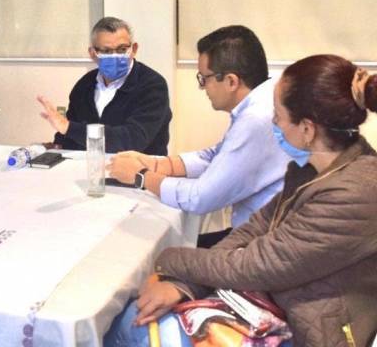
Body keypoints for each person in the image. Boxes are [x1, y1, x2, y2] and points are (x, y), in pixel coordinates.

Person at [105, 54, 377, 347]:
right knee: (134, 313)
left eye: (278, 116)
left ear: (307, 130)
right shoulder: (309, 169)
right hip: (273, 297)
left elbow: (257, 264)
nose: (273, 123)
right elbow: (252, 231)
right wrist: (185, 285)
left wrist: (166, 260)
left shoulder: (355, 193)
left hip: (312, 329)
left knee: (131, 327)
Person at [108, 25, 291, 246]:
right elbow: (216, 155)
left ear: (231, 81)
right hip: (258, 232)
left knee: (153, 251)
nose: (202, 88)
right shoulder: (262, 100)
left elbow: (200, 198)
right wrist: (157, 164)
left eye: (204, 79)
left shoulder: (256, 119)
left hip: (260, 244)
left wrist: (141, 176)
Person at [37, 17, 171, 154]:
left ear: (134, 49)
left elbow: (133, 139)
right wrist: (55, 147)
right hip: (88, 164)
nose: (115, 56)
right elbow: (70, 136)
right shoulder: (84, 85)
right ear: (92, 54)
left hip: (140, 166)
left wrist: (69, 128)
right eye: (106, 51)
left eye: (122, 49)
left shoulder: (153, 85)